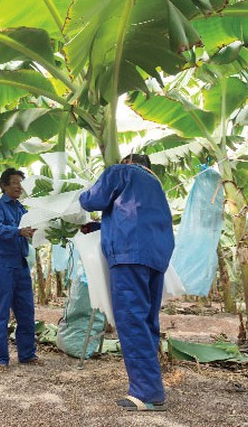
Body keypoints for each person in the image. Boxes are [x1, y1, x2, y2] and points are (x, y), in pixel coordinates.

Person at [79, 154, 174, 411]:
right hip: (155, 255)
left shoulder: (121, 171)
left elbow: (91, 200)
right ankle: (151, 384)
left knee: (131, 320)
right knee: (147, 321)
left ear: (128, 160)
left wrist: (79, 196)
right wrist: (100, 226)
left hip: (128, 254)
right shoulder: (155, 184)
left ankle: (147, 394)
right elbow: (135, 216)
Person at [0, 168, 38, 369]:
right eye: (15, 182)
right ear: (4, 185)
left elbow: (34, 225)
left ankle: (27, 354)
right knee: (1, 312)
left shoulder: (21, 209)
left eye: (21, 183)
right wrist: (18, 231)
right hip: (3, 265)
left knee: (26, 311)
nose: (19, 187)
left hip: (21, 265)